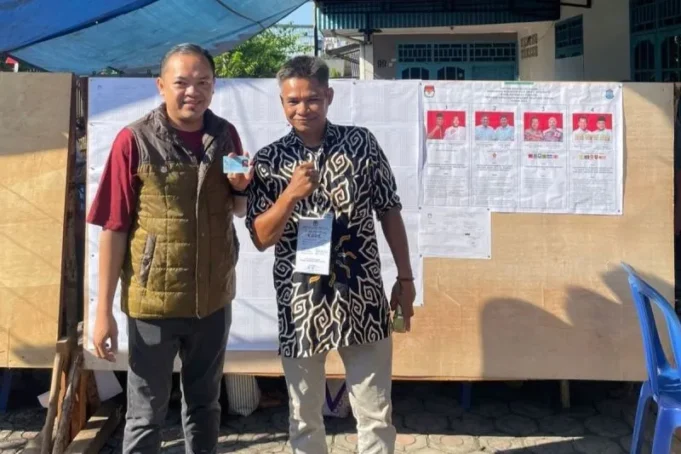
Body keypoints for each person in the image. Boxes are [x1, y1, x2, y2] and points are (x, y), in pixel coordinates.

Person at [87, 43, 252, 453]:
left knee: (205, 405)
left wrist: (241, 188)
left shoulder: (226, 135)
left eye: (203, 82)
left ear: (214, 87)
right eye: (181, 83)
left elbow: (238, 208)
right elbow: (113, 229)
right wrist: (102, 311)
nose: (192, 91)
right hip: (152, 306)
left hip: (212, 301)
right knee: (146, 414)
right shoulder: (134, 141)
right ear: (161, 86)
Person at [246, 55, 415, 454]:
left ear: (329, 96)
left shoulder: (361, 144)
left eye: (312, 99)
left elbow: (389, 210)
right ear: (282, 102)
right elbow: (260, 237)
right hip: (301, 303)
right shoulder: (269, 160)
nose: (302, 109)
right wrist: (290, 194)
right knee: (304, 417)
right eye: (292, 101)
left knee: (376, 414)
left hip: (362, 296)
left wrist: (405, 278)